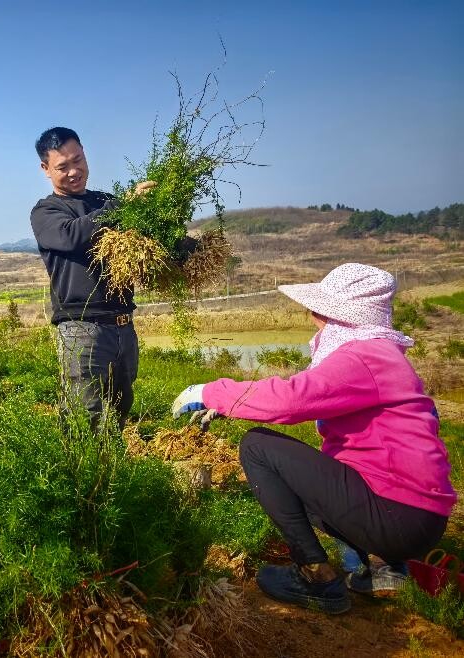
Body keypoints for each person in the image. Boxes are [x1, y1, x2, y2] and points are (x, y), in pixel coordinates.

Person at [171, 263, 456, 614]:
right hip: (418, 517)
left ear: (339, 317)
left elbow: (291, 399)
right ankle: (386, 566)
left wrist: (214, 392)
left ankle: (316, 577)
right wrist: (234, 406)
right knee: (315, 477)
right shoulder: (385, 355)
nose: (312, 318)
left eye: (319, 310)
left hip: (397, 516)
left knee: (258, 448)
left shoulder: (363, 357)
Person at [30, 127, 155, 432]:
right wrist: (123, 206)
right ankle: (82, 477)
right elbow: (73, 235)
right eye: (62, 167)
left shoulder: (105, 201)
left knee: (120, 408)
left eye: (78, 160)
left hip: (124, 327)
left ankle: (113, 475)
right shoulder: (47, 211)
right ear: (45, 169)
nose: (74, 171)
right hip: (81, 329)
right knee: (86, 418)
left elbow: (141, 241)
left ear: (85, 153)